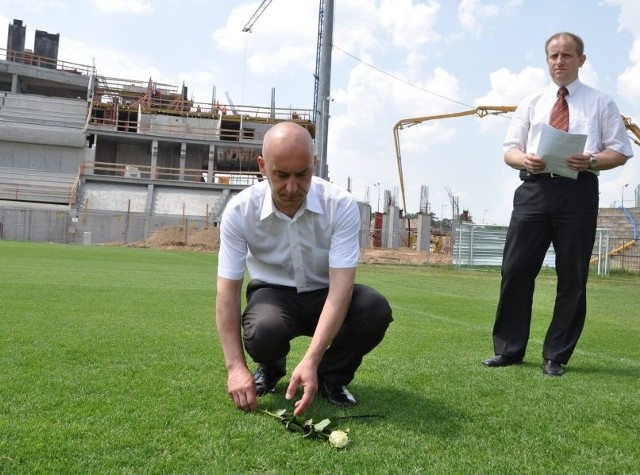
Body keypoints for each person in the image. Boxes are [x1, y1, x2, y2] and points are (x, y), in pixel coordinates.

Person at [215, 121, 393, 416]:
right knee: (262, 330)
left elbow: (340, 289)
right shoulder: (239, 211)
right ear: (262, 166)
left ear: (314, 163)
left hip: (327, 292)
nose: (292, 187)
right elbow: (227, 291)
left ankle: (330, 377)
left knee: (374, 309)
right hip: (273, 295)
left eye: (303, 174)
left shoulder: (341, 205)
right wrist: (235, 367)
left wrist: (312, 359)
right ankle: (271, 369)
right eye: (281, 175)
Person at [483, 32, 632, 376]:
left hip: (577, 193)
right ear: (546, 60)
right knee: (516, 270)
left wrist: (592, 161)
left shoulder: (601, 103)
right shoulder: (531, 102)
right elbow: (510, 150)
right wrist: (525, 160)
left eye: (566, 55)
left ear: (581, 60)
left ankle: (556, 356)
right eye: (553, 56)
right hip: (534, 191)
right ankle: (508, 350)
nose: (559, 62)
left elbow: (621, 150)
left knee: (572, 275)